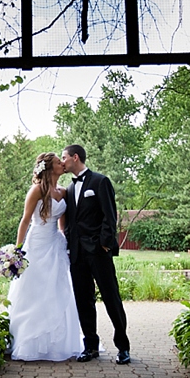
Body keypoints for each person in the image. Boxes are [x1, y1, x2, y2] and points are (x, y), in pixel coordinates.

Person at [5, 152, 84, 361]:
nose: (63, 164)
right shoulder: (37, 190)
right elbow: (25, 220)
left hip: (55, 245)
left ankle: (56, 344)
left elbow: (63, 224)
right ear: (49, 168)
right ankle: (29, 340)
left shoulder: (64, 192)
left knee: (56, 289)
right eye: (59, 162)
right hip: (37, 244)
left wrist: (66, 243)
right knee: (34, 290)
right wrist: (18, 250)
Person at [61, 144, 131, 365]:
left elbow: (110, 216)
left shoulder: (100, 182)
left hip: (98, 252)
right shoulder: (69, 189)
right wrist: (70, 245)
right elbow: (70, 222)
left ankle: (123, 347)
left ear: (75, 157)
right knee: (83, 300)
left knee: (111, 297)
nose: (62, 162)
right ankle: (90, 346)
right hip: (77, 254)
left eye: (64, 157)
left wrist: (104, 245)